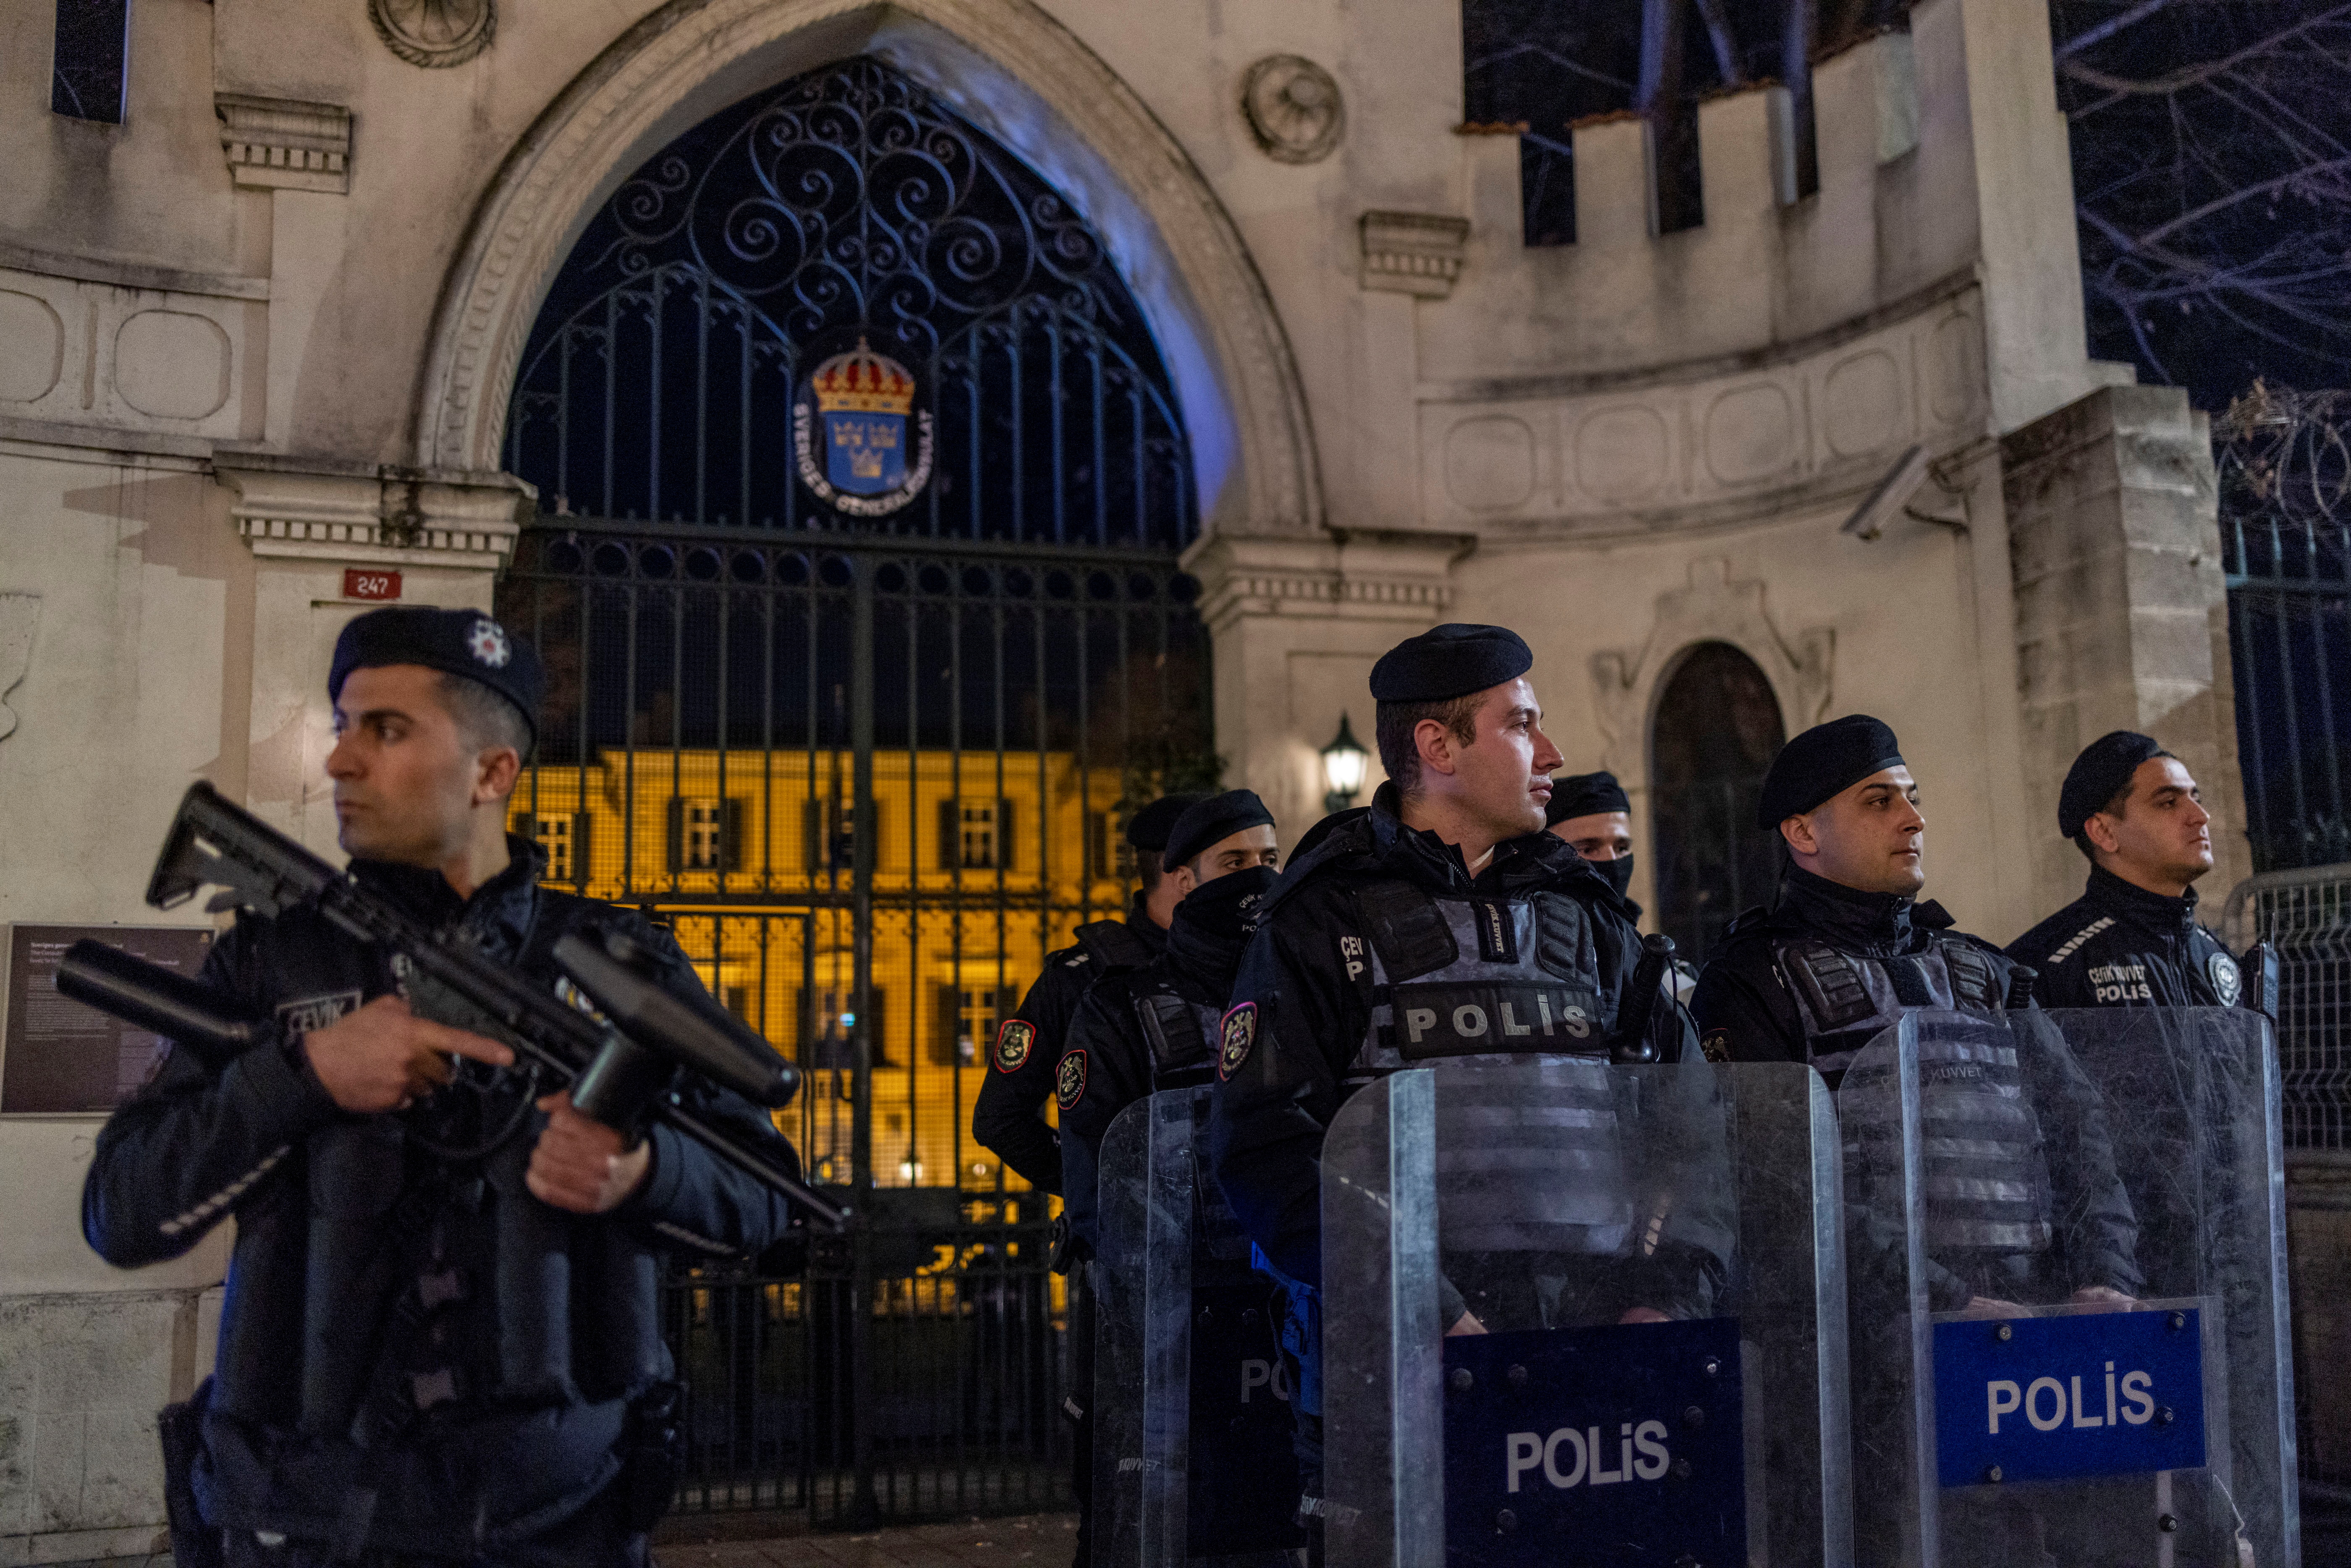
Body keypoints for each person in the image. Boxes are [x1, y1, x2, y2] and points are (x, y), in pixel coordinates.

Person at [81, 606, 797, 1568]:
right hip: (298, 1522)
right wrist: (303, 1076)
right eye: (343, 723)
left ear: (493, 772)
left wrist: (640, 1172)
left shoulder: (619, 968)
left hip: (551, 1524)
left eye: (386, 729)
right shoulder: (271, 959)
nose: (340, 760)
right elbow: (121, 1211)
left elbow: (772, 1200)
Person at [1208, 624, 1697, 1550]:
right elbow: (1269, 1148)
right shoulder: (1319, 919)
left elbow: (1690, 1123)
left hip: (1588, 1361)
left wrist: (1663, 1297)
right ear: (1437, 748)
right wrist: (1435, 1316)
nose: (1551, 754)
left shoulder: (1588, 920)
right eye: (1520, 724)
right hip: (1395, 1372)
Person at [1687, 713, 2137, 1309]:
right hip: (1857, 1344)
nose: (1914, 818)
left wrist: (2105, 1275)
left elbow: (2079, 1135)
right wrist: (1944, 1299)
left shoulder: (1991, 974)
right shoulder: (1751, 980)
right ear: (1802, 832)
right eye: (1879, 801)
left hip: (2032, 1325)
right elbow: (1779, 1182)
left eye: (1913, 797)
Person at [1055, 789, 1280, 1256]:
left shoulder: (1304, 986)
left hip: (1298, 1288)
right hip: (1181, 1295)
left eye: (1269, 859)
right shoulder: (1117, 1007)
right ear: (1183, 880)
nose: (1258, 877)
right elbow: (1098, 1181)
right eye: (1234, 863)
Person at [971, 793, 1198, 1196]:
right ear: (1182, 874)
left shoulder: (1253, 959)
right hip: (1130, 1248)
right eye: (1234, 863)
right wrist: (1102, 1188)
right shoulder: (1082, 977)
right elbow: (1001, 1117)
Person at [2007, 730, 2258, 1010]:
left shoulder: (2221, 963)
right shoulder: (2042, 969)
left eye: (2195, 797)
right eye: (2168, 803)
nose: (2201, 816)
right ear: (2104, 832)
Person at [1545, 770, 1636, 904]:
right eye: (1587, 849)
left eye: (1622, 848)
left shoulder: (1625, 923)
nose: (1612, 860)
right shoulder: (1522, 922)